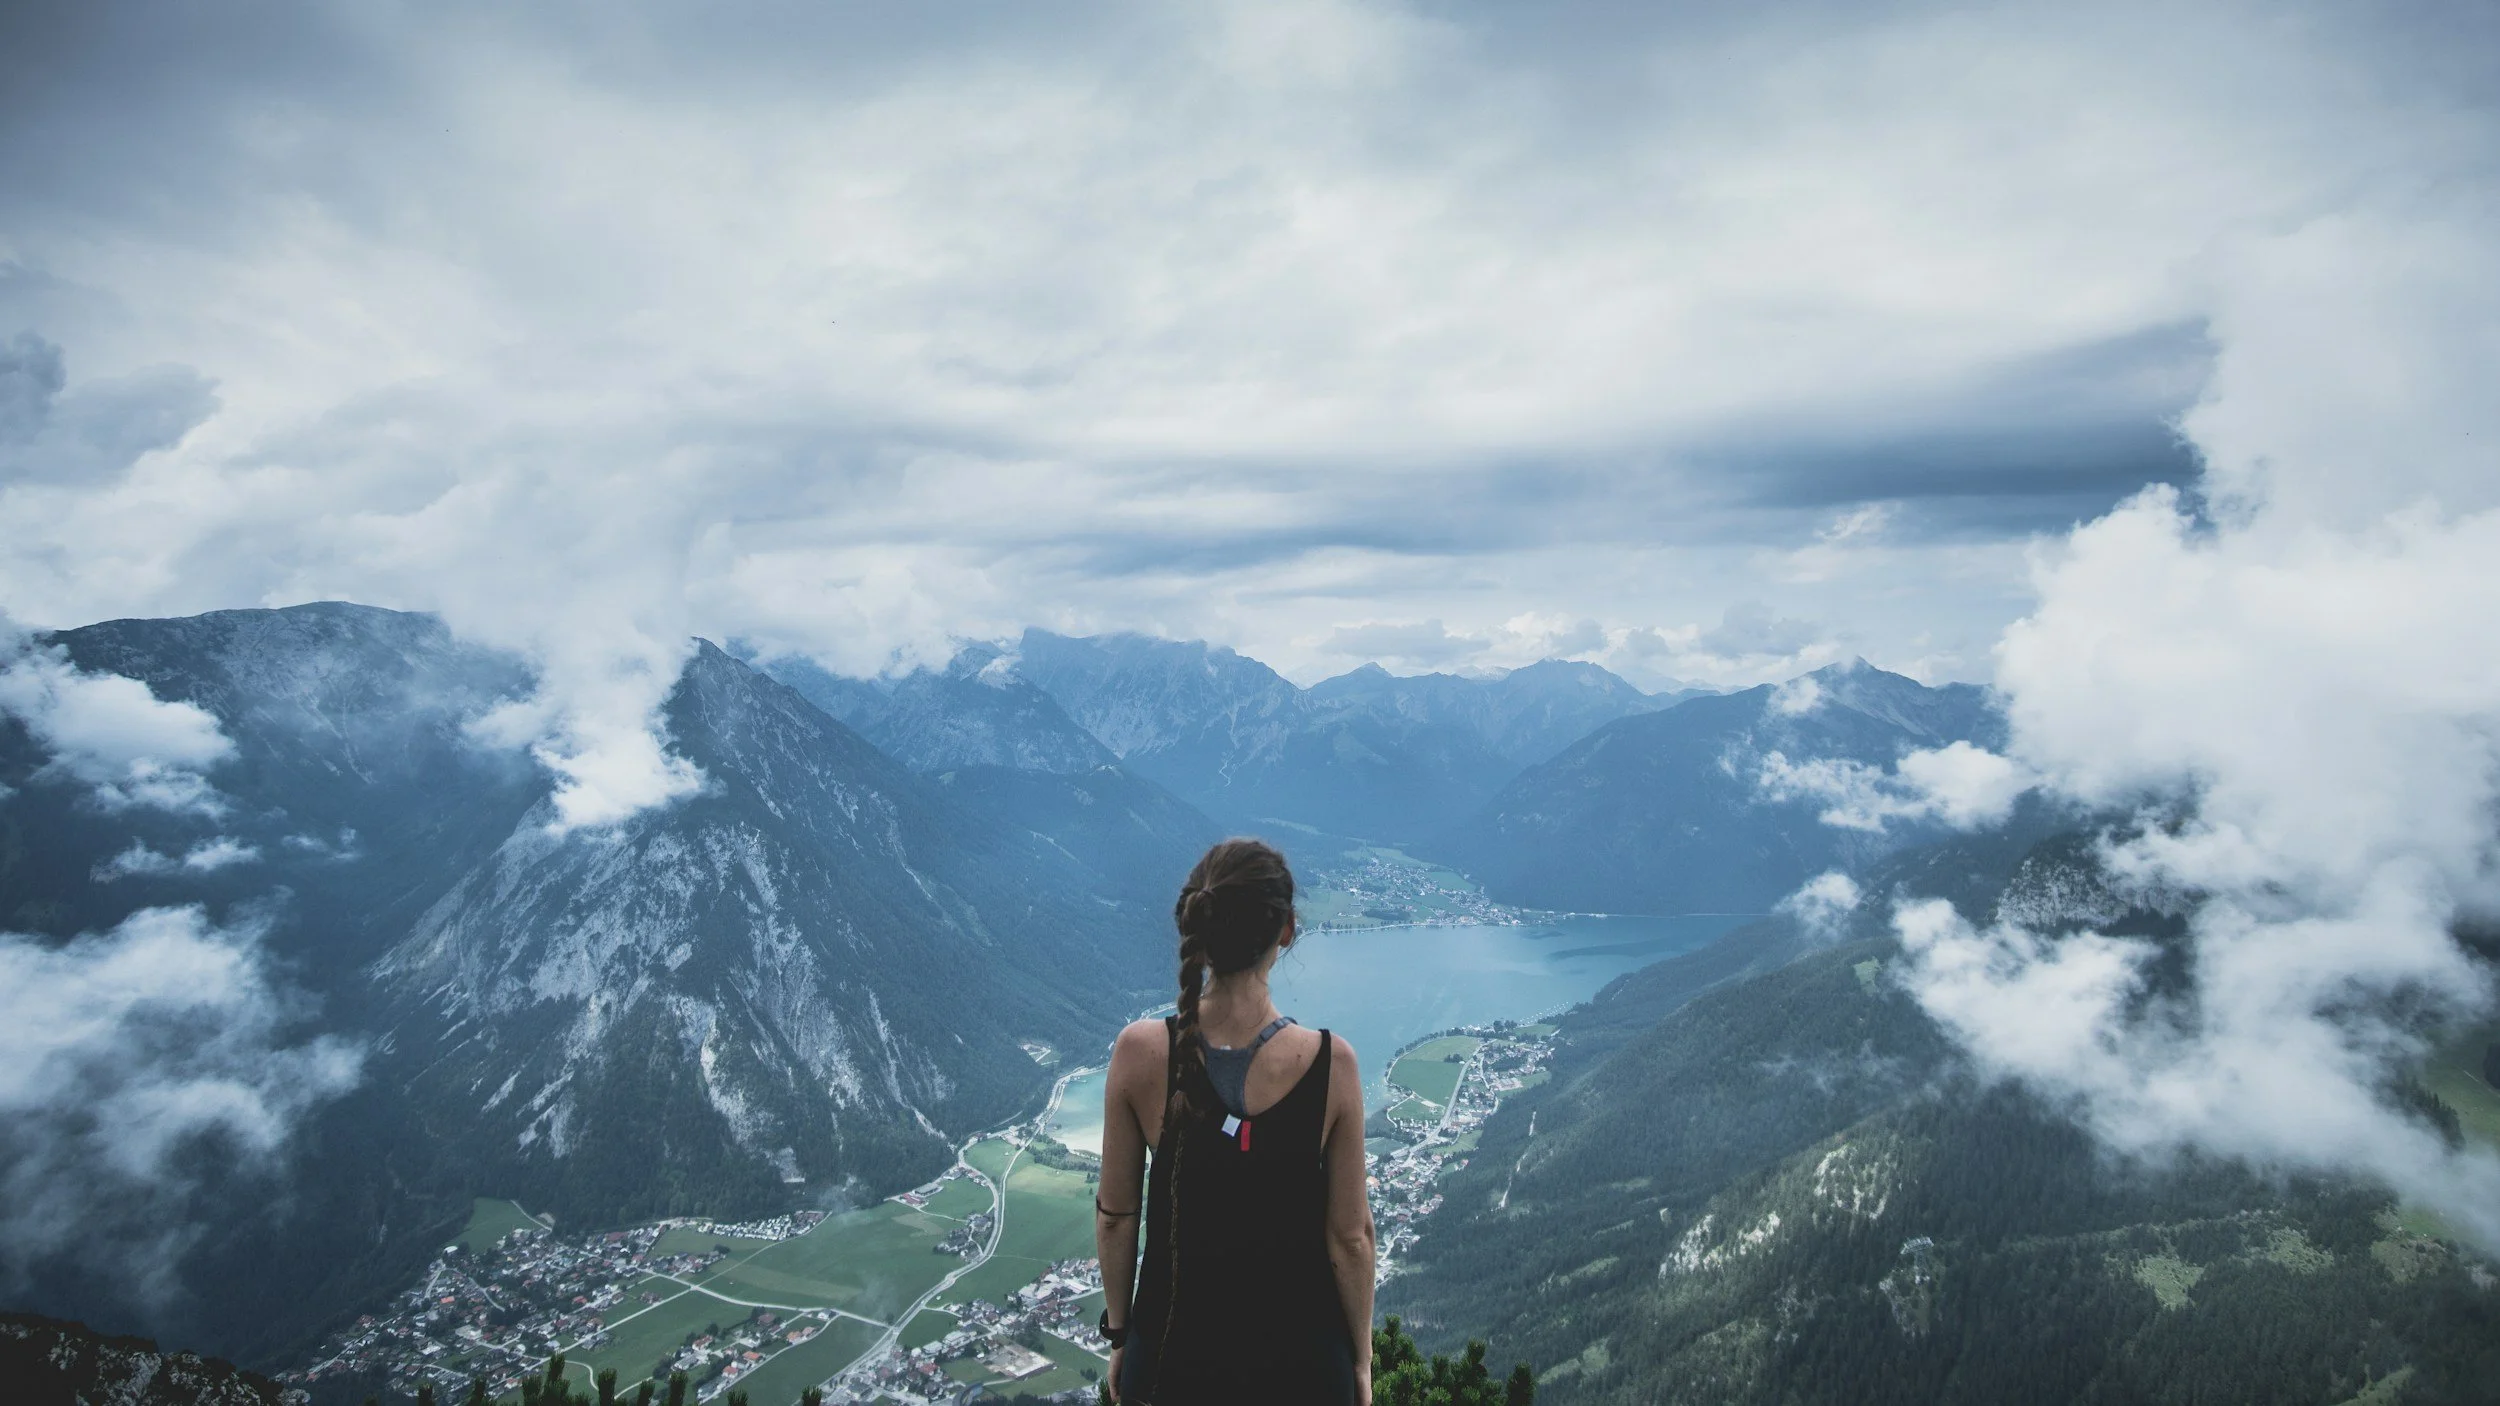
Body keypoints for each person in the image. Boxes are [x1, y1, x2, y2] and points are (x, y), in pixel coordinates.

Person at [1092, 838, 1375, 1405]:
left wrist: (1122, 1335)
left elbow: (1117, 1218)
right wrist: (1362, 1362)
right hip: (1306, 1372)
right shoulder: (1330, 1065)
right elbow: (1350, 1238)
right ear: (1287, 932)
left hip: (1172, 1364)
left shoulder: (1140, 1054)